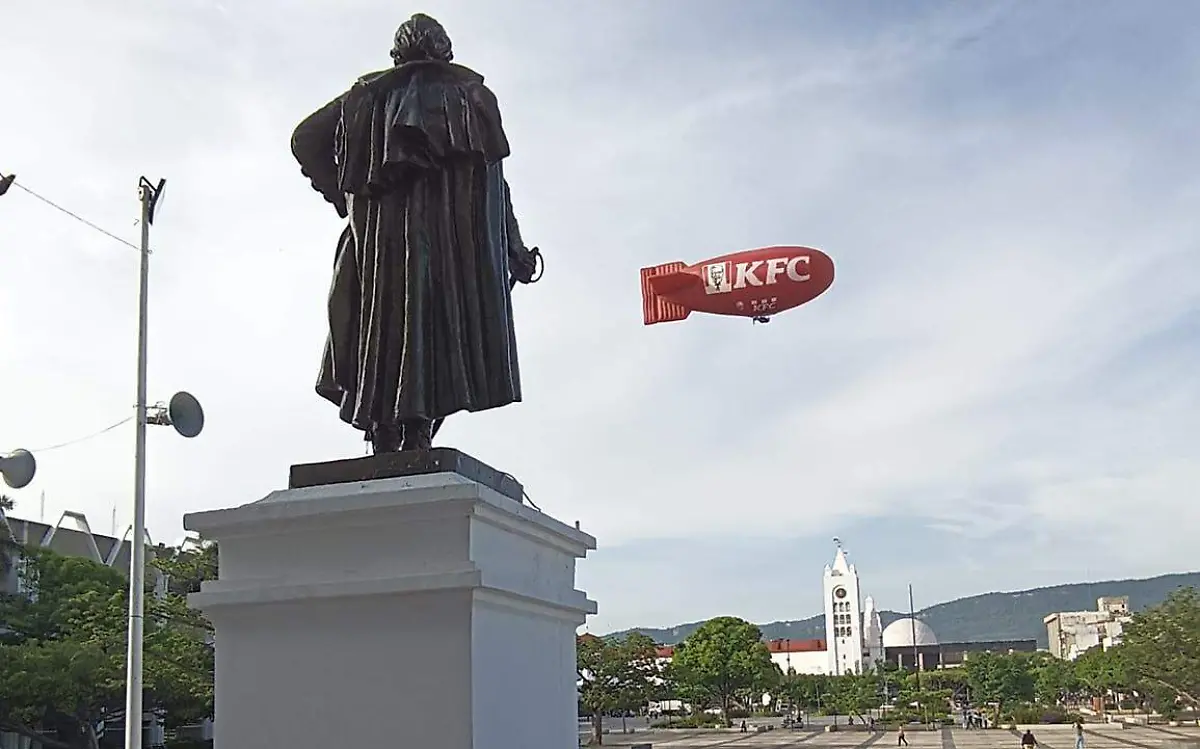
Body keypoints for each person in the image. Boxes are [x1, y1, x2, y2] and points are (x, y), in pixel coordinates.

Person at [291, 13, 540, 453]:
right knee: (431, 327)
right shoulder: (470, 99)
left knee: (382, 325)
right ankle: (415, 428)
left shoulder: (364, 99)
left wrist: (344, 191)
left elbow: (305, 138)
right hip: (446, 248)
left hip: (379, 249)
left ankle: (387, 429)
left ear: (396, 54)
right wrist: (514, 246)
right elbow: (494, 186)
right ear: (446, 51)